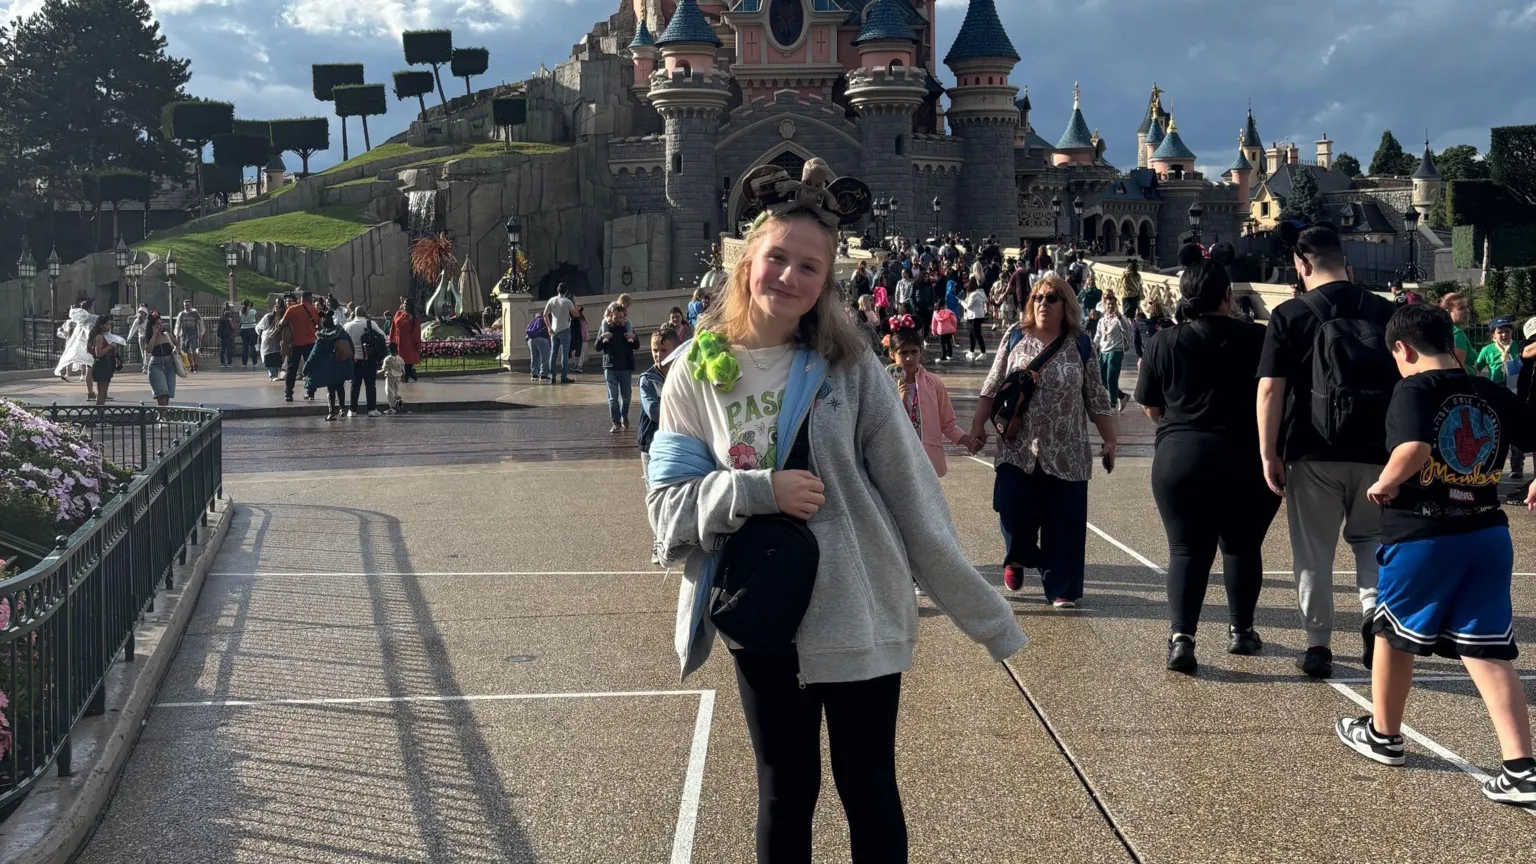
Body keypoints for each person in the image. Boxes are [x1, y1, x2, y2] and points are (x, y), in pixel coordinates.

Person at [648, 201, 1025, 863]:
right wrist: (757, 490)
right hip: (763, 615)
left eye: (809, 266)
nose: (789, 276)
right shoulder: (694, 371)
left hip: (858, 607)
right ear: (746, 263)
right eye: (777, 258)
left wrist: (984, 616)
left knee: (870, 786)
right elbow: (666, 508)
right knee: (784, 792)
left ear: (825, 283)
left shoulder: (849, 369)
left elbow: (914, 499)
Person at [1336, 303, 1536, 806]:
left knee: (1393, 633)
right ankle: (1520, 767)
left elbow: (1415, 448)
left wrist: (1384, 483)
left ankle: (1383, 734)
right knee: (1486, 646)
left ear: (1402, 349)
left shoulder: (1412, 389)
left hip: (1424, 531)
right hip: (1487, 531)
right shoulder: (1488, 390)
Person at [1257, 224, 1398, 679]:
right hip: (1378, 449)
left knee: (1313, 550)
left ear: (1301, 265)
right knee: (1371, 542)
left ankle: (1318, 646)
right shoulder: (1385, 311)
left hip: (1311, 447)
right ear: (1346, 260)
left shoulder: (1290, 315)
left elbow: (1269, 391)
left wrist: (1268, 452)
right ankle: (1374, 614)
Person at [1135, 262, 1281, 672]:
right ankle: (1241, 630)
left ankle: (1183, 638)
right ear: (1227, 296)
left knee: (1185, 550)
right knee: (1241, 545)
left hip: (1181, 455)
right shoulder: (1259, 337)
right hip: (1244, 454)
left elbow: (1150, 405)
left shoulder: (1163, 341)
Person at [969, 273, 1118, 608]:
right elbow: (993, 386)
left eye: (1051, 298)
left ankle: (1062, 588)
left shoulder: (1079, 343)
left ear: (1066, 304)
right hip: (1017, 446)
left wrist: (1110, 439)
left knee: (1063, 518)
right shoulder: (1014, 336)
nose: (1043, 304)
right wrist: (978, 426)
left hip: (1067, 448)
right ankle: (1017, 556)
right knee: (1010, 506)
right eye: (1037, 297)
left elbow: (1096, 395)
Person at [886, 323, 976, 477]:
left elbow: (947, 423)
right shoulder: (883, 384)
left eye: (914, 351)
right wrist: (899, 399)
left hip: (926, 458)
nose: (909, 358)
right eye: (903, 352)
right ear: (892, 353)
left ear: (921, 352)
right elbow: (879, 424)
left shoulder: (933, 383)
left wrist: (966, 440)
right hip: (895, 457)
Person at [1476, 318, 1523, 478]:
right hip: (1494, 392)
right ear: (1493, 335)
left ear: (1512, 332)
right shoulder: (1487, 350)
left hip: (1515, 391)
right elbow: (1477, 367)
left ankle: (1517, 466)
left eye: (1507, 331)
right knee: (1496, 429)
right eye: (1499, 332)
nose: (1504, 334)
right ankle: (1492, 466)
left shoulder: (1518, 347)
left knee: (1516, 428)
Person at [637, 327, 678, 480]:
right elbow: (654, 413)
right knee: (654, 487)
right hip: (651, 442)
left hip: (674, 440)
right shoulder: (648, 379)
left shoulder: (680, 375)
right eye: (655, 350)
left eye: (664, 350)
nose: (658, 355)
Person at [596, 303, 640, 432]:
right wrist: (602, 338)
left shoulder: (628, 328)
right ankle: (616, 422)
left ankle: (624, 416)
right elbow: (597, 347)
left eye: (621, 317)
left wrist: (634, 338)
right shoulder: (605, 328)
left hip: (625, 366)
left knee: (626, 397)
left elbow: (636, 346)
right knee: (613, 398)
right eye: (616, 318)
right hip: (610, 367)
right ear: (611, 316)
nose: (619, 320)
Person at [306, 309, 355, 421]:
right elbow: (350, 347)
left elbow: (314, 355)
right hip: (341, 364)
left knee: (331, 389)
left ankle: (332, 412)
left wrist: (306, 368)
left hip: (328, 367)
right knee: (340, 386)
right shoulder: (342, 333)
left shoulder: (321, 337)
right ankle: (342, 409)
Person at [343, 307, 387, 416]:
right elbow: (383, 336)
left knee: (355, 385)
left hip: (354, 360)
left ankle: (352, 410)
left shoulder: (347, 325)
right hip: (368, 359)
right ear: (365, 313)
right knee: (370, 385)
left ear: (354, 314)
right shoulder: (370, 324)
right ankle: (371, 409)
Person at [281, 292, 322, 401]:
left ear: (301, 298)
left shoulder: (292, 309)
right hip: (311, 343)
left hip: (296, 343)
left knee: (292, 369)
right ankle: (311, 392)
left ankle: (288, 393)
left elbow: (283, 323)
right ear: (310, 299)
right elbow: (321, 326)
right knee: (311, 369)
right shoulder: (316, 311)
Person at [1095, 292, 1131, 413]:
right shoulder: (1101, 320)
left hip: (1115, 350)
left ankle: (1112, 404)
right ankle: (1122, 396)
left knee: (1111, 377)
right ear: (1105, 305)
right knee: (1101, 378)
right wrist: (1092, 348)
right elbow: (1098, 336)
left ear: (1116, 305)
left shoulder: (1120, 319)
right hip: (1103, 351)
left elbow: (1126, 329)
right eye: (1109, 304)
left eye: (1113, 304)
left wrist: (1120, 317)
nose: (1111, 306)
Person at [54, 299, 98, 397]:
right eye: (93, 306)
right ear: (90, 307)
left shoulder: (80, 321)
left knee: (89, 369)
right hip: (95, 346)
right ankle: (102, 392)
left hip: (85, 346)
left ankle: (90, 392)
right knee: (99, 370)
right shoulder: (94, 318)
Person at [543, 284, 577, 384]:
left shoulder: (552, 300)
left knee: (553, 354)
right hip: (565, 330)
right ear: (566, 291)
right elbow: (576, 314)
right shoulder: (567, 301)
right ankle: (563, 377)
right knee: (564, 355)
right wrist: (575, 304)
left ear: (557, 290)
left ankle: (552, 377)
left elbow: (545, 314)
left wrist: (549, 328)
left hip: (554, 330)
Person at [144, 312, 177, 408]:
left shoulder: (167, 335)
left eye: (161, 323)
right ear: (152, 326)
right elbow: (149, 350)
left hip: (169, 363)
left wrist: (175, 349)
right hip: (156, 364)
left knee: (167, 392)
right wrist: (154, 335)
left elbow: (176, 343)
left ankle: (164, 414)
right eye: (157, 324)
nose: (160, 326)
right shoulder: (150, 337)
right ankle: (161, 416)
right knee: (161, 392)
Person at [1438, 292, 1475, 370]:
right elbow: (1459, 367)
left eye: (1467, 307)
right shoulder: (1456, 334)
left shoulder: (1440, 329)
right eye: (1461, 308)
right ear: (1447, 311)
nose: (1467, 311)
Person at [389, 298, 423, 382]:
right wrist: (391, 338)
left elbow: (416, 332)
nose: (405, 306)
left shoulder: (414, 318)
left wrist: (417, 343)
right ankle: (411, 373)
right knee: (399, 360)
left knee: (407, 361)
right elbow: (393, 326)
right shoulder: (398, 313)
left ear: (411, 306)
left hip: (408, 343)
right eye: (404, 304)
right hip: (398, 340)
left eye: (407, 304)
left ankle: (407, 376)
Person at [88, 317, 119, 406]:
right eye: (107, 324)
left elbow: (112, 353)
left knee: (103, 394)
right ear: (101, 326)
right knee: (101, 394)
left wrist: (114, 348)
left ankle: (100, 413)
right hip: (101, 365)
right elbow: (99, 353)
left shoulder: (107, 337)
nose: (109, 326)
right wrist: (110, 346)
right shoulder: (99, 337)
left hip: (106, 364)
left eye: (110, 324)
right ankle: (99, 415)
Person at [257, 298, 286, 381]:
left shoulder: (283, 318)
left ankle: (275, 374)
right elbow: (259, 327)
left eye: (280, 307)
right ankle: (272, 375)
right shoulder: (268, 317)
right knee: (268, 357)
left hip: (278, 340)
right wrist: (263, 335)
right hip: (268, 340)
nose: (277, 308)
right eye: (276, 306)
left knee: (277, 357)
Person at [174, 299, 204, 373]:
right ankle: (191, 366)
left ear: (190, 305)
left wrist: (201, 333)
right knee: (186, 351)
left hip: (193, 334)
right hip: (184, 335)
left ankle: (195, 365)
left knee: (194, 350)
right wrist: (177, 334)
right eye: (185, 305)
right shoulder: (181, 314)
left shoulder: (195, 314)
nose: (186, 306)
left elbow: (200, 324)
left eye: (187, 305)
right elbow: (178, 325)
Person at [525, 312, 551, 382]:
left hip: (530, 339)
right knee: (545, 357)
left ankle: (534, 375)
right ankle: (543, 376)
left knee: (534, 357)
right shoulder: (545, 319)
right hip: (542, 338)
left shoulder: (533, 321)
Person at [930, 298, 958, 363]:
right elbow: (954, 320)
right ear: (945, 305)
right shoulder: (949, 312)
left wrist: (934, 332)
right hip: (949, 330)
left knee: (942, 344)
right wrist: (954, 327)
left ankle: (943, 356)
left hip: (941, 331)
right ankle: (950, 354)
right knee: (948, 342)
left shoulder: (936, 313)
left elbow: (934, 323)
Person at [381, 343, 406, 414]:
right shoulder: (400, 359)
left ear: (389, 350)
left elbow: (385, 368)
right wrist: (403, 377)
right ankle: (399, 402)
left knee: (389, 391)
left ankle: (393, 407)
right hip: (398, 377)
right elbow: (403, 369)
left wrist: (378, 372)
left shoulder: (387, 359)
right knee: (396, 390)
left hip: (390, 377)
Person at [238, 299, 259, 368]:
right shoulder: (253, 311)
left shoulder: (240, 312)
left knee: (245, 347)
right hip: (252, 328)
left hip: (244, 329)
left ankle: (244, 363)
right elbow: (257, 319)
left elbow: (241, 320)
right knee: (253, 346)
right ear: (249, 304)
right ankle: (254, 363)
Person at [216, 303, 236, 368]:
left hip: (222, 337)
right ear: (229, 315)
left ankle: (222, 363)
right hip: (228, 336)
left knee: (222, 350)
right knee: (229, 350)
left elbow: (218, 329)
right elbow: (232, 328)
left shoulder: (220, 320)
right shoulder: (228, 321)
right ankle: (229, 363)